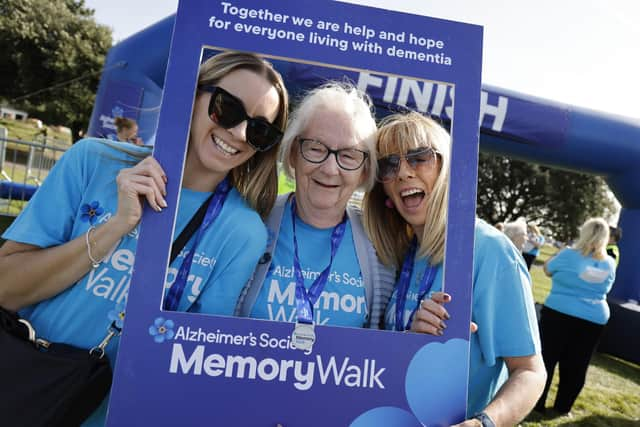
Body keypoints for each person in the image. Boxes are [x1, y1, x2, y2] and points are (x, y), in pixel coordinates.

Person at [0, 50, 289, 426]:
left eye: (259, 129)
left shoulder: (244, 232)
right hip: (21, 388)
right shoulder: (93, 161)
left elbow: (198, 364)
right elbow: (6, 287)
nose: (238, 133)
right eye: (227, 108)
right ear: (193, 95)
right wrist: (116, 226)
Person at [363, 111, 546, 427]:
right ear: (385, 192)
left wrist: (483, 423)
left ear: (446, 169)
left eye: (419, 158)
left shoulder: (488, 249)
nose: (404, 172)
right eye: (389, 165)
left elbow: (530, 371)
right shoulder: (400, 250)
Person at [236, 82, 395, 329]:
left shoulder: (381, 245)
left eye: (349, 155)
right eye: (316, 148)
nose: (330, 169)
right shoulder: (250, 221)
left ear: (364, 171)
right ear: (292, 154)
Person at [534, 217, 616, 416]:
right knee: (578, 364)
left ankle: (537, 402)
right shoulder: (610, 263)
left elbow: (546, 269)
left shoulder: (568, 255)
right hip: (594, 318)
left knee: (547, 358)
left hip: (559, 312)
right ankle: (563, 407)